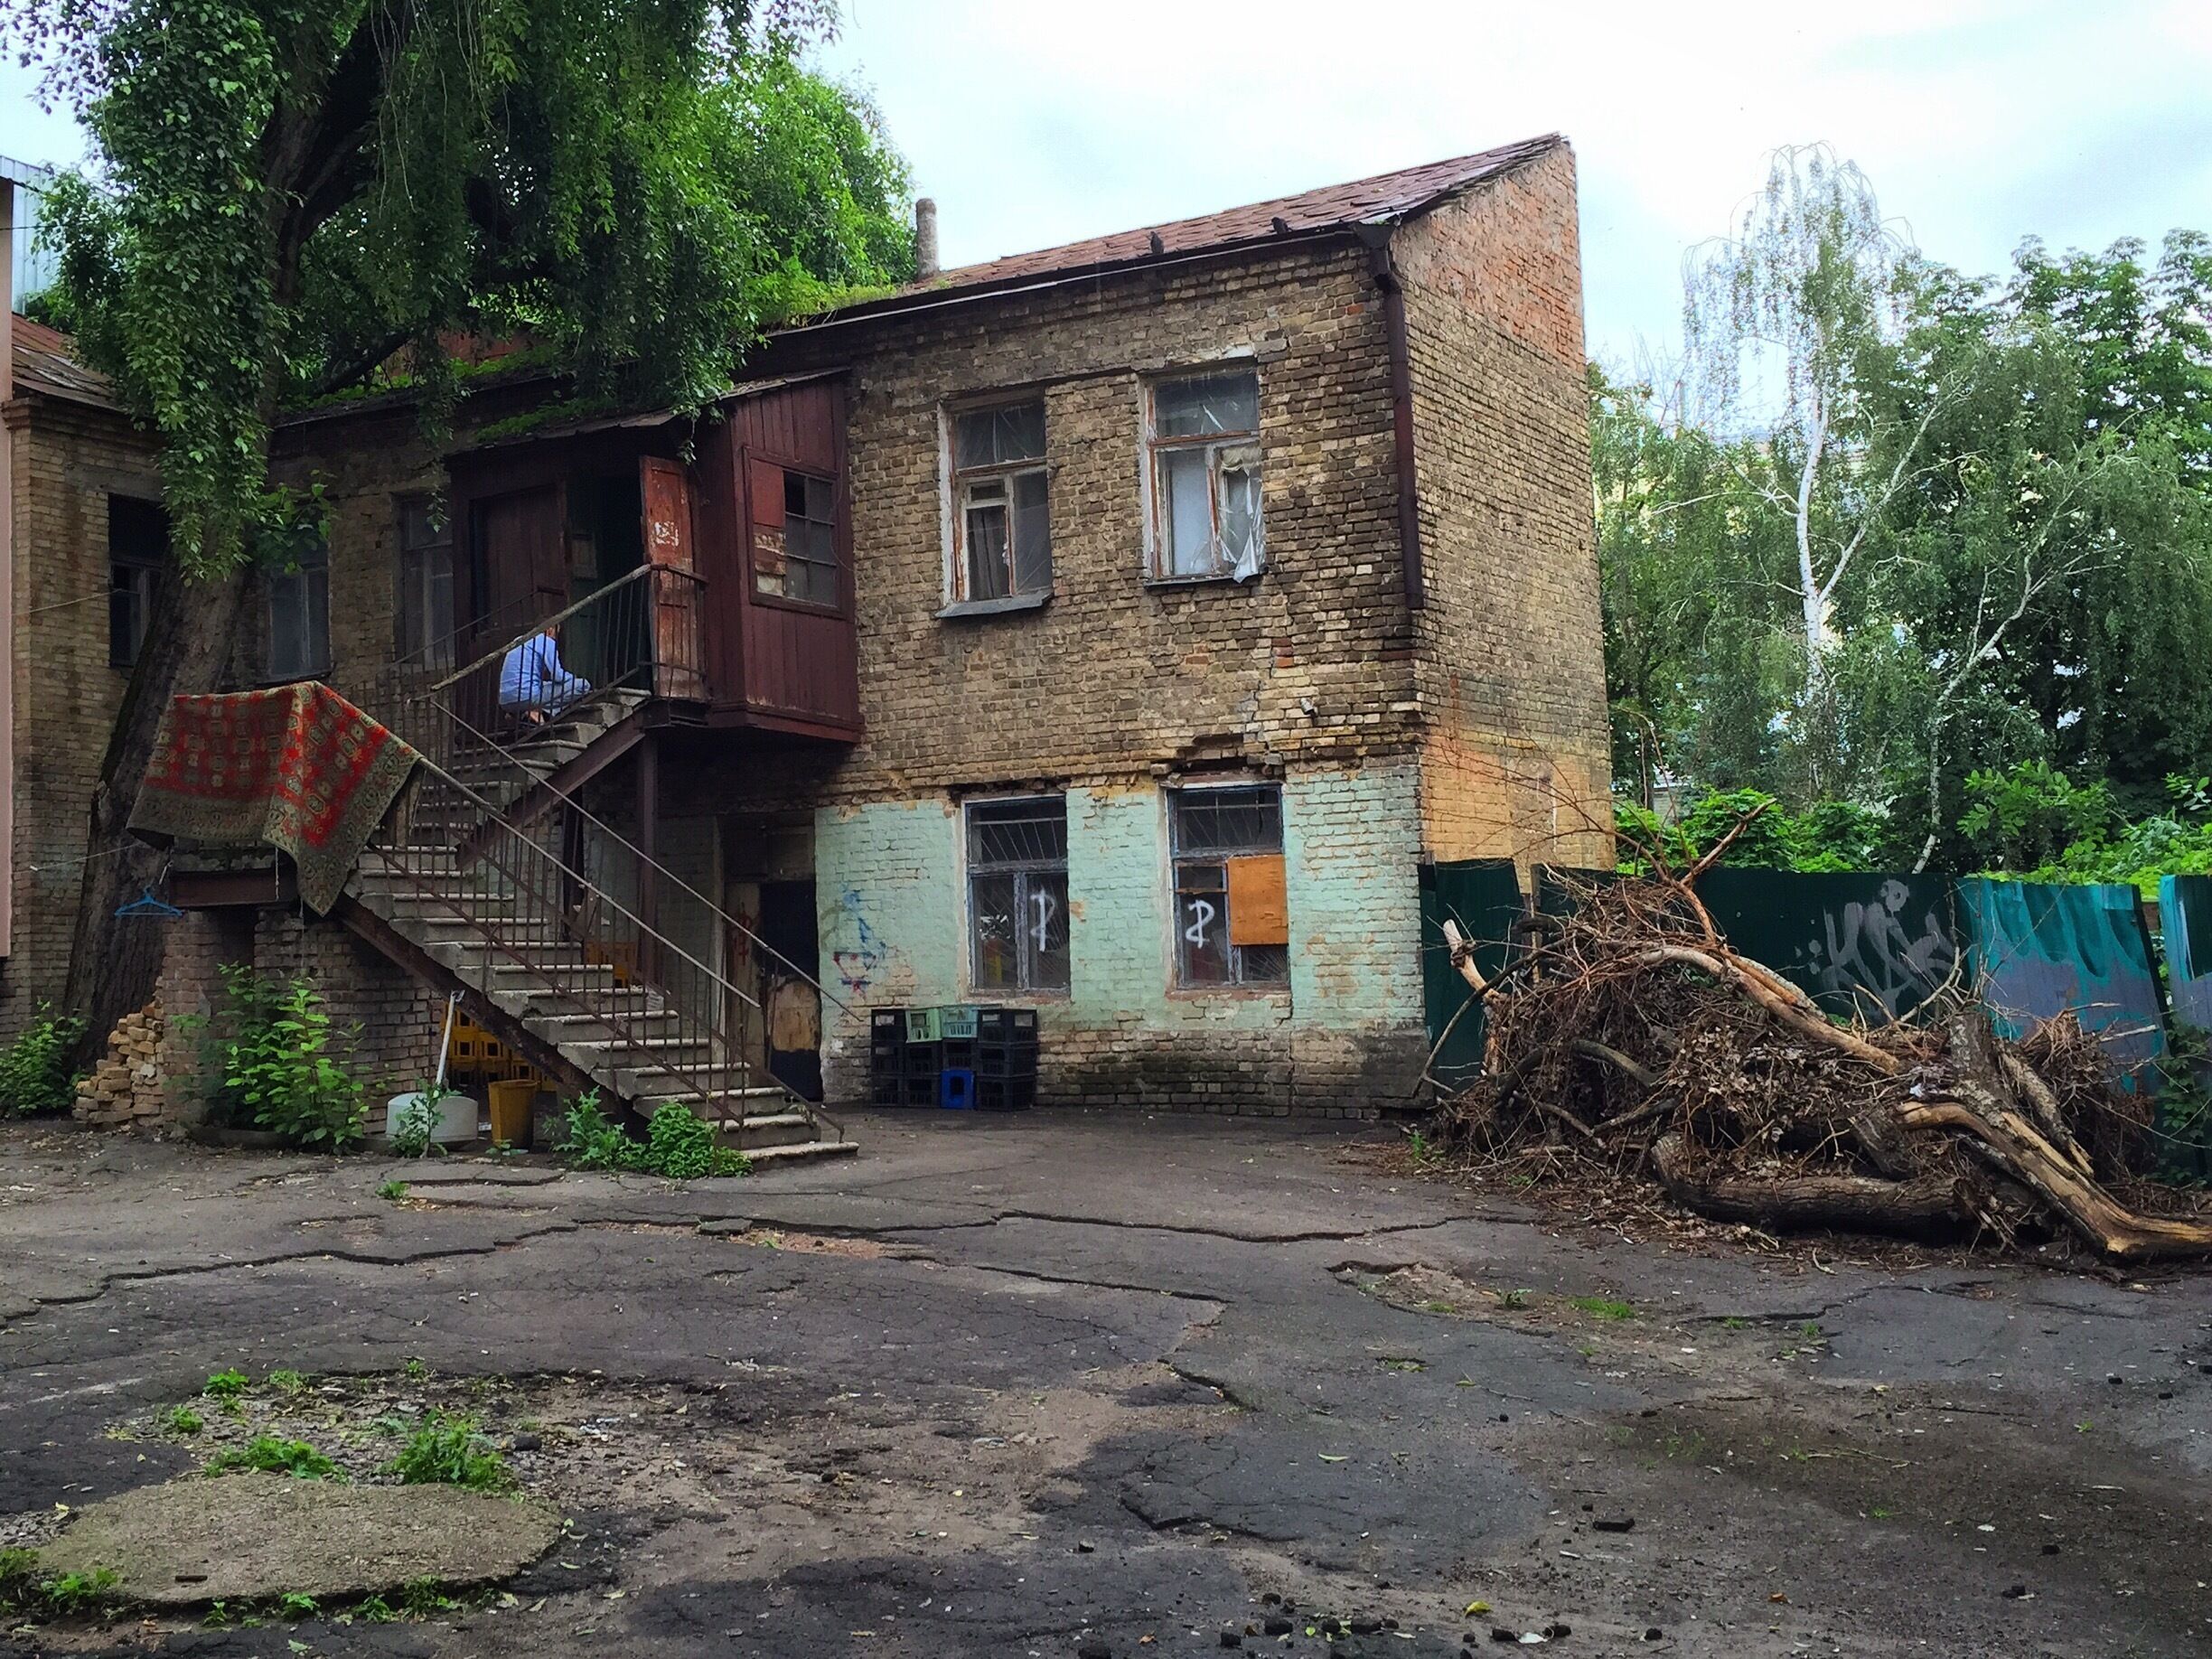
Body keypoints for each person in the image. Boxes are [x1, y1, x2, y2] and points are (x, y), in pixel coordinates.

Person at [498, 624, 591, 722]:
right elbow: (558, 676)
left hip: (505, 702)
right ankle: (541, 712)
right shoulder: (547, 641)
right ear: (549, 629)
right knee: (583, 685)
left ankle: (518, 713)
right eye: (556, 633)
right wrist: (573, 677)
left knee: (542, 685)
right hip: (527, 697)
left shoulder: (519, 640)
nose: (555, 637)